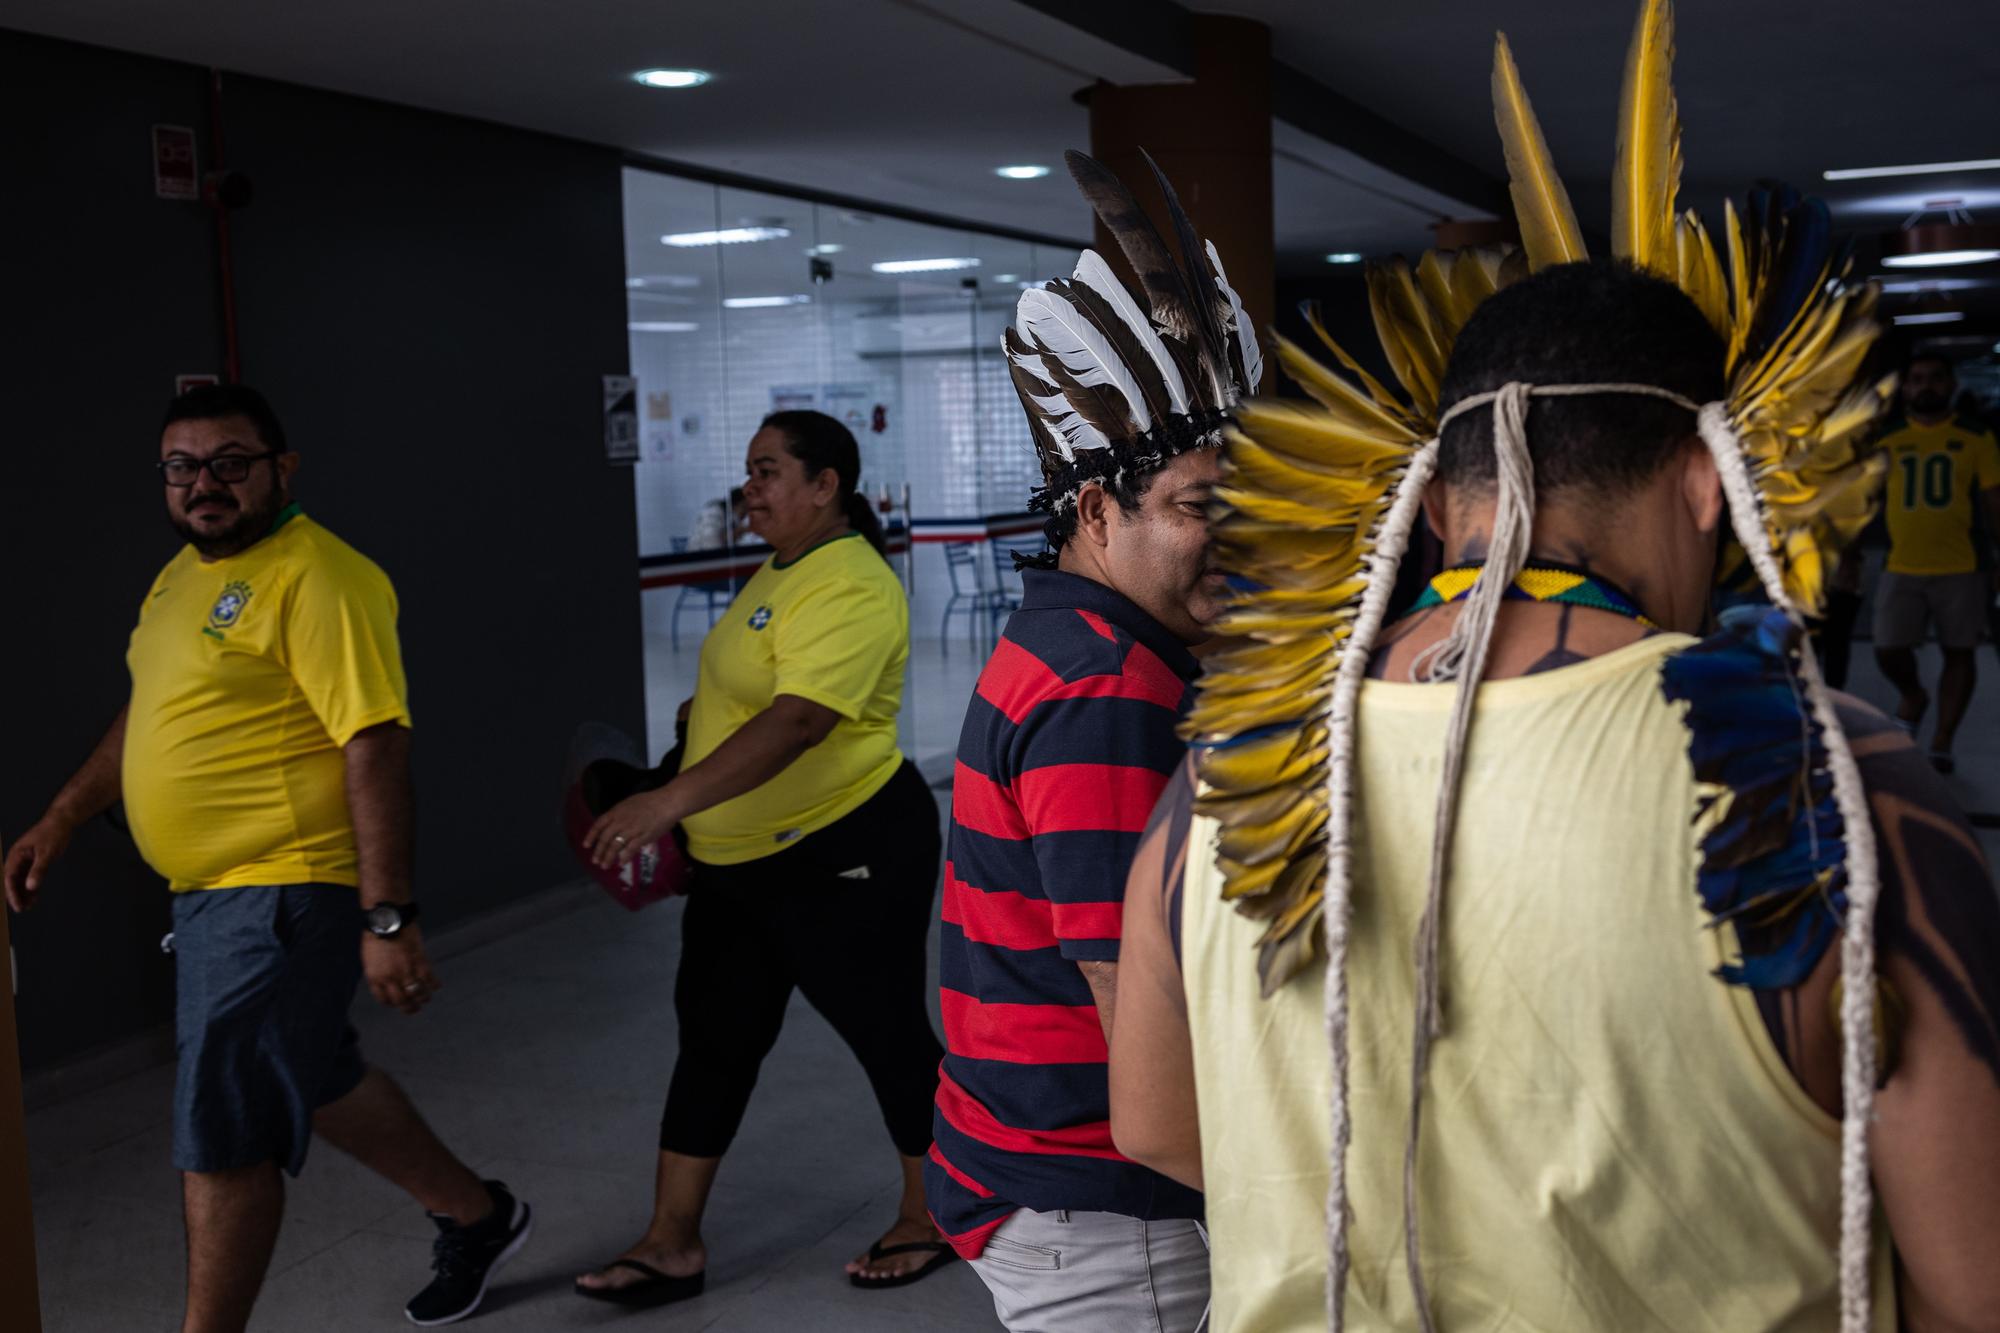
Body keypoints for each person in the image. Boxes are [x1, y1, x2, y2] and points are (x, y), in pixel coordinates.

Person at [1111, 10, 1999, 1331]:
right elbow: (1976, 1280)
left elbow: (1157, 1126)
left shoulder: (1232, 775)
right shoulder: (1845, 789)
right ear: (1710, 485)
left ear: (1430, 506)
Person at [3, 384, 530, 1331]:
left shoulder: (318, 576)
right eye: (182, 465)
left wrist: (388, 917)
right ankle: (479, 1215)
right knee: (315, 1076)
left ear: (281, 469)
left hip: (282, 889)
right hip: (213, 896)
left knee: (224, 1131)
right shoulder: (179, 577)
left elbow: (374, 742)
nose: (204, 483)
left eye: (230, 462)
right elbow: (149, 711)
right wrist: (63, 814)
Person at [924, 150, 1262, 1333]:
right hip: (1108, 1215)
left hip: (1029, 1164)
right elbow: (1140, 1010)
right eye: (1192, 507)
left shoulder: (1088, 639)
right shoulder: (1105, 688)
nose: (1232, 538)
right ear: (1094, 508)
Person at [574, 409, 949, 1304]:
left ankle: (934, 1213)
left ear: (828, 485)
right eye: (749, 470)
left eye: (769, 469)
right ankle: (671, 1243)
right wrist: (686, 748)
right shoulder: (780, 571)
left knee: (886, 1033)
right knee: (713, 1041)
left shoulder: (851, 580)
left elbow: (800, 718)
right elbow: (751, 696)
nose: (751, 486)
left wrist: (665, 799)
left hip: (843, 849)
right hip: (739, 864)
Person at [1871, 350, 2000, 773]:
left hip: (1961, 565)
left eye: (1935, 378)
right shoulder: (1886, 437)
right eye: (1917, 379)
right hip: (1901, 564)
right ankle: (1914, 695)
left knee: (1959, 651)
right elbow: (1863, 500)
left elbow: (1993, 502)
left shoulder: (1976, 436)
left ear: (1951, 384)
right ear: (1905, 388)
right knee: (1888, 647)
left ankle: (1942, 739)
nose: (1926, 386)